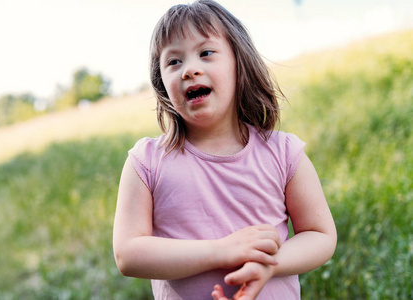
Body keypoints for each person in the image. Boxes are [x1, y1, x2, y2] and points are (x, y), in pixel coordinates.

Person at [113, 0, 337, 299]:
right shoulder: (147, 163)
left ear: (238, 62)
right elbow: (128, 254)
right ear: (161, 81)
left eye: (206, 53)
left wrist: (268, 263)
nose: (189, 70)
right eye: (173, 62)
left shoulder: (283, 153)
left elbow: (320, 235)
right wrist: (221, 251)